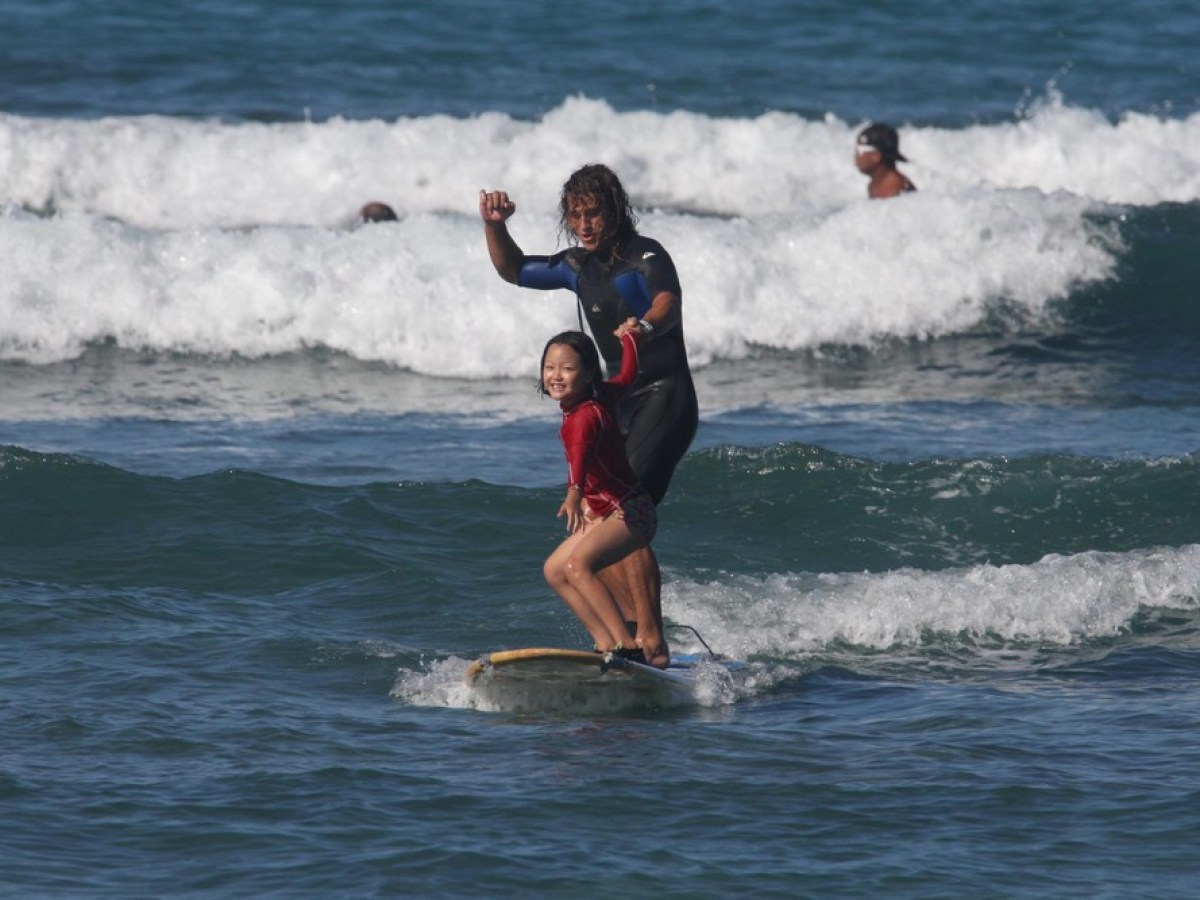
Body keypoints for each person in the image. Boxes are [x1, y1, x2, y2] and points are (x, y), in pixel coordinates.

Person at [479, 163, 698, 668]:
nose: (584, 223)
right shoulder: (577, 267)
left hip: (664, 396)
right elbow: (514, 270)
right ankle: (626, 637)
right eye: (576, 214)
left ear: (614, 209)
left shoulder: (646, 255)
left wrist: (643, 326)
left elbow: (669, 299)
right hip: (615, 404)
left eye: (593, 212)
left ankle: (653, 643)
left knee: (623, 510)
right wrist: (495, 226)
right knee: (603, 517)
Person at [539, 328, 657, 659]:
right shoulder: (600, 396)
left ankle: (626, 646)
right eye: (549, 367)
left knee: (578, 566)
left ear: (588, 372)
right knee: (554, 570)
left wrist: (574, 493)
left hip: (628, 512)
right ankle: (606, 641)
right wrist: (630, 339)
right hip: (618, 510)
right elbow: (629, 377)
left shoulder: (583, 416)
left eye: (567, 368)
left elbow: (580, 454)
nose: (556, 376)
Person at [855, 123, 916, 199]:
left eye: (859, 151)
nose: (856, 156)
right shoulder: (874, 185)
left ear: (876, 156)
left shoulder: (895, 186)